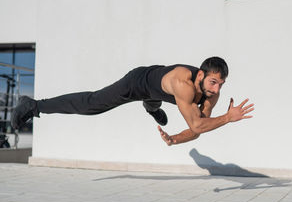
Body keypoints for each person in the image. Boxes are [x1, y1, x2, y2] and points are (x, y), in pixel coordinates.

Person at [11, 57, 254, 145]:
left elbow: (199, 127)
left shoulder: (212, 91)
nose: (216, 89)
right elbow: (199, 125)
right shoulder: (185, 86)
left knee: (160, 100)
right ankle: (32, 105)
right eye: (213, 82)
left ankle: (152, 105)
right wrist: (228, 118)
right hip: (137, 83)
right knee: (92, 104)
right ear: (201, 75)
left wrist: (175, 139)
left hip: (157, 87)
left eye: (221, 84)